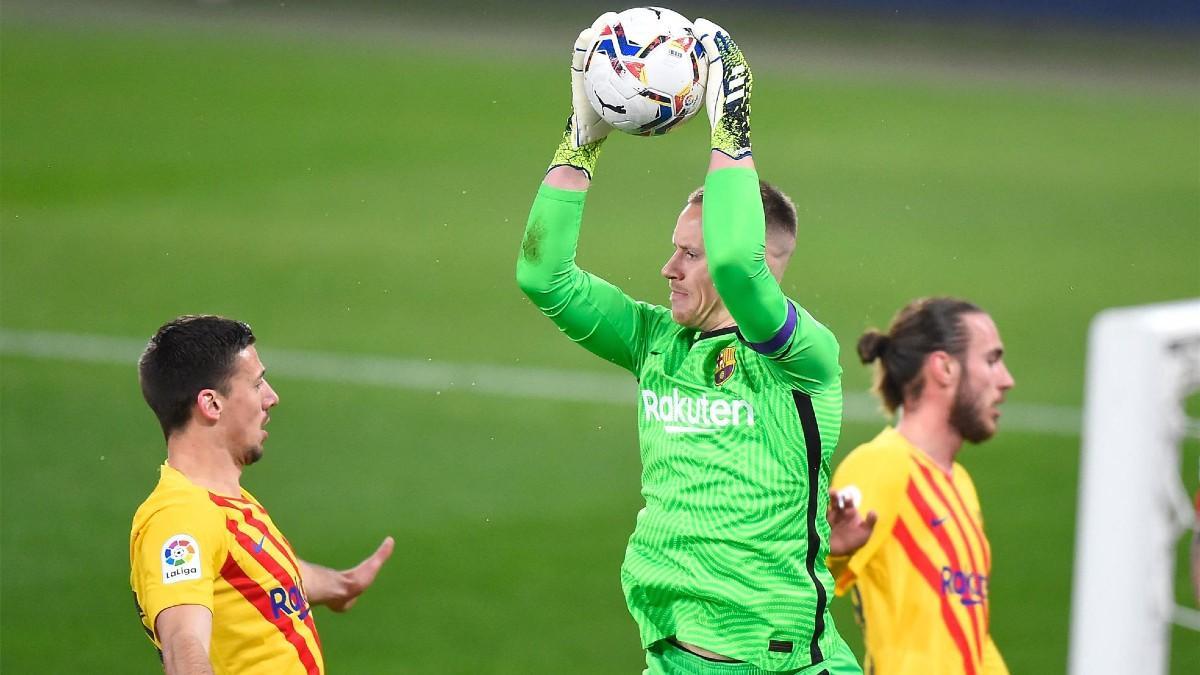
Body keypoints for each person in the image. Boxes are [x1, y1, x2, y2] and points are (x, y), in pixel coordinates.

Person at [517, 15, 859, 675]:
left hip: (783, 665)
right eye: (674, 249)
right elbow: (543, 275)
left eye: (689, 254)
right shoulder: (655, 342)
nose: (668, 269)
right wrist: (581, 138)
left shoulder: (803, 360)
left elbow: (736, 266)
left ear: (762, 263)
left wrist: (731, 123)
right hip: (671, 656)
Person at [129, 315, 394, 675]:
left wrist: (340, 585)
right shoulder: (181, 520)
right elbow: (183, 644)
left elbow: (268, 578)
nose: (272, 398)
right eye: (256, 384)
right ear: (212, 404)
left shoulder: (224, 503)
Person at [825, 297, 1014, 674]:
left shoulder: (960, 483)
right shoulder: (880, 465)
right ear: (944, 367)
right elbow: (797, 577)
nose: (1006, 380)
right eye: (992, 360)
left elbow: (970, 636)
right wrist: (829, 550)